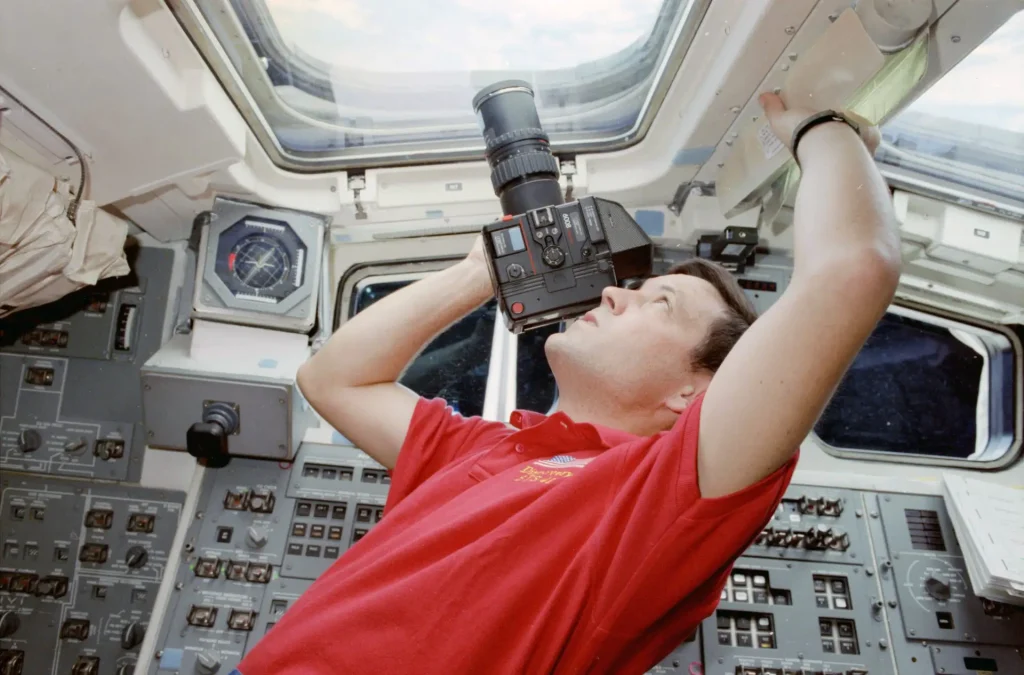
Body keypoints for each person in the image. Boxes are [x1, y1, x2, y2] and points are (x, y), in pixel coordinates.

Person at [236, 93, 900, 674]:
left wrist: (822, 125)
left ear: (691, 397)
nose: (614, 294)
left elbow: (854, 269)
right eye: (634, 288)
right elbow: (332, 377)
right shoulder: (490, 449)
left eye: (658, 303)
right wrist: (483, 269)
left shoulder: (659, 501)